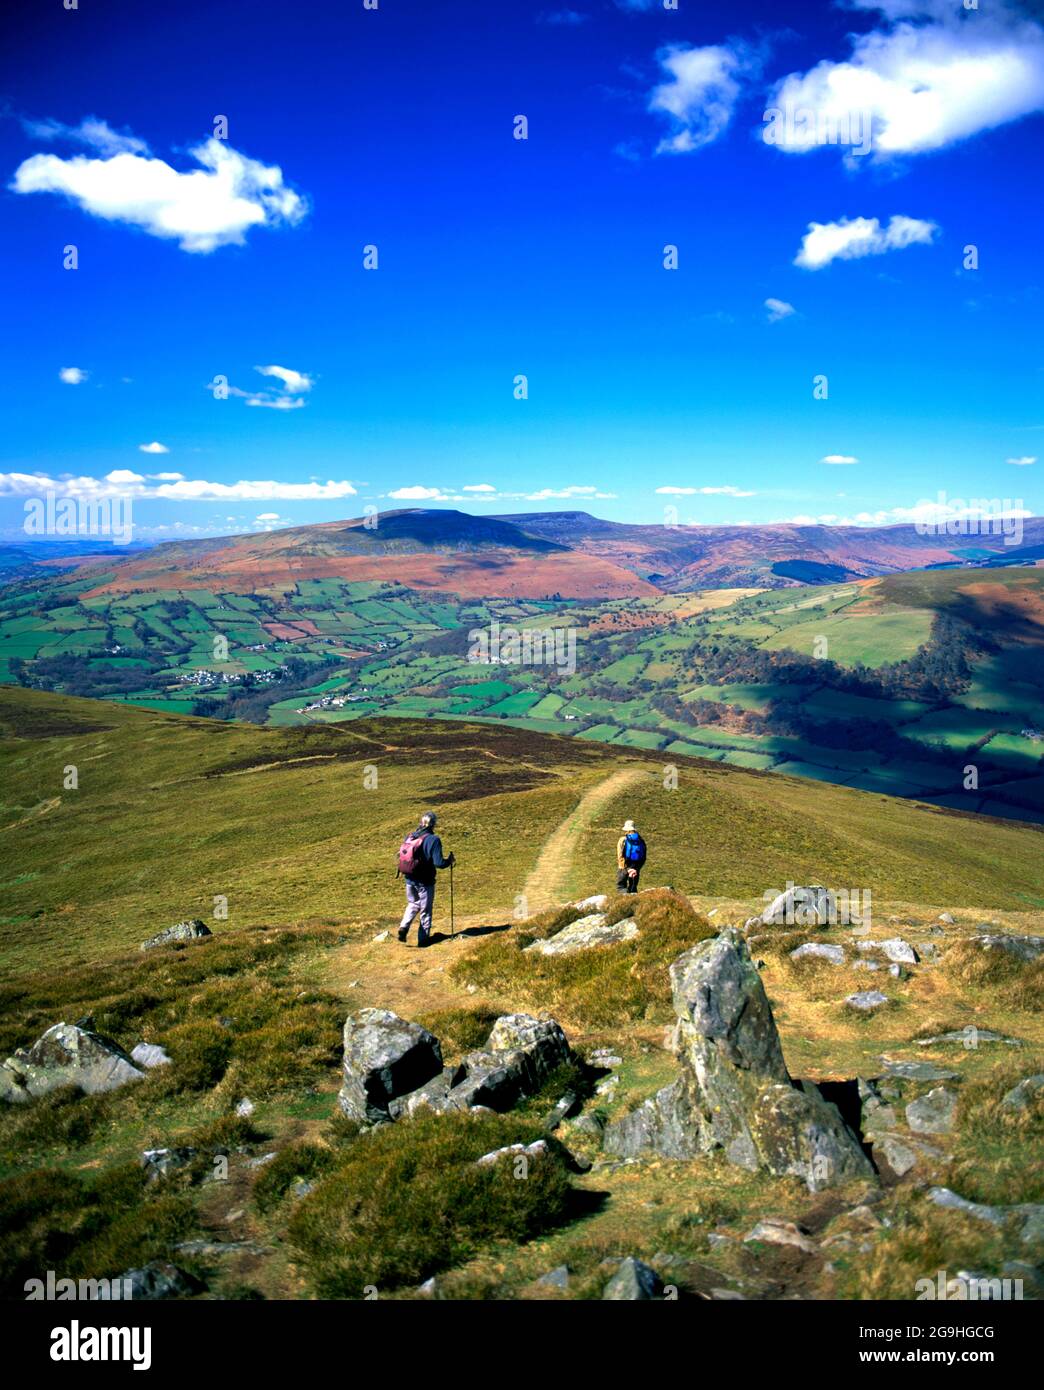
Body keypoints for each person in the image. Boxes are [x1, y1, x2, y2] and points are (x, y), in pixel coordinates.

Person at [396, 811, 455, 947]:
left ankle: (403, 927)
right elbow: (439, 863)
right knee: (425, 910)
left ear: (421, 822)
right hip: (425, 881)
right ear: (433, 824)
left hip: (409, 879)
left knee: (413, 903)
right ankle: (423, 940)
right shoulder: (433, 840)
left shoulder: (410, 837)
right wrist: (449, 861)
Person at [616, 818, 646, 894]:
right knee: (633, 888)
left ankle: (624, 902)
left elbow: (620, 856)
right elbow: (643, 857)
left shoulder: (623, 840)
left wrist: (626, 869)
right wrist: (636, 869)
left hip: (624, 868)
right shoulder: (641, 840)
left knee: (621, 887)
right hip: (636, 869)